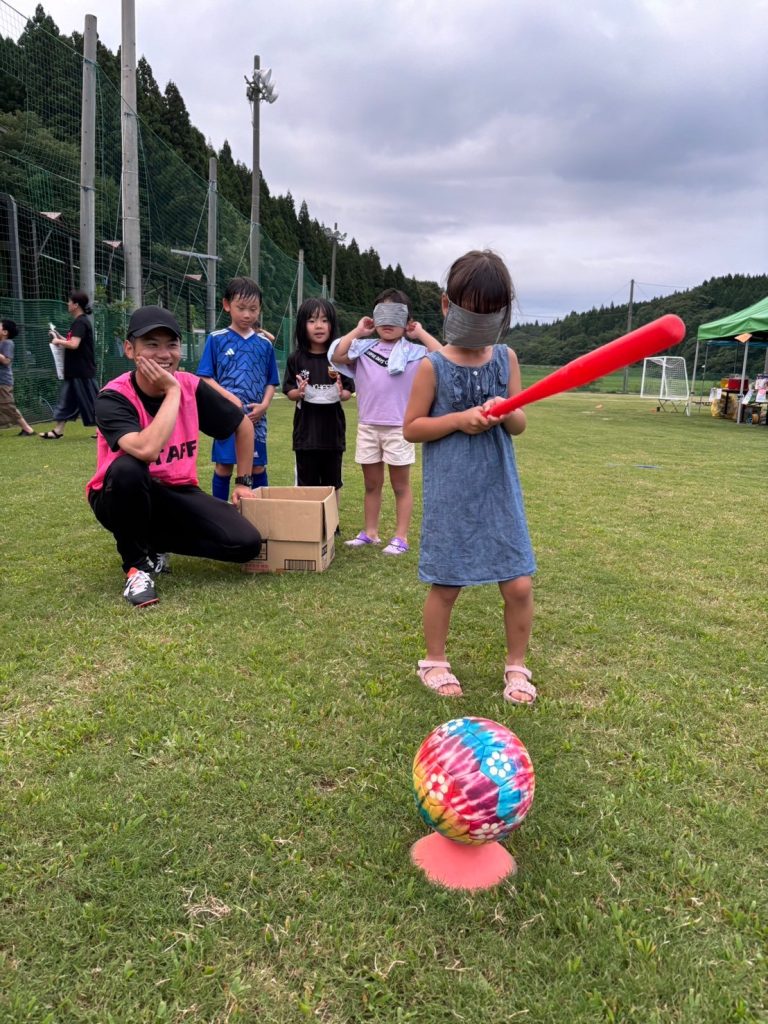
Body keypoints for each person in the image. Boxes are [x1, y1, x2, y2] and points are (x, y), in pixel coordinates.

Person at [403, 250, 536, 703]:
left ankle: (517, 666)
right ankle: (434, 662)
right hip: (452, 493)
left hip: (498, 490)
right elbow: (412, 428)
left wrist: (505, 412)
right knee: (448, 582)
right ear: (447, 306)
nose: (480, 321)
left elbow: (519, 424)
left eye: (490, 313)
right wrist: (459, 419)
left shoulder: (506, 359)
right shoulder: (432, 366)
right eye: (470, 311)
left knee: (518, 582)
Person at [87, 305, 262, 608]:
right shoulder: (113, 396)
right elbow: (146, 450)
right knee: (129, 468)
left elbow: (243, 426)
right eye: (151, 345)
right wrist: (172, 392)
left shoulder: (191, 386)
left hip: (177, 491)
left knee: (245, 543)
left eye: (171, 344)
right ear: (130, 349)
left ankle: (155, 543)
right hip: (119, 495)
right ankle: (137, 567)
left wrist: (244, 481)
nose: (164, 354)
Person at [328, 289, 441, 555]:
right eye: (382, 313)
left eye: (396, 314)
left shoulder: (415, 352)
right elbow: (337, 355)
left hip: (401, 429)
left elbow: (444, 355)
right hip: (368, 426)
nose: (388, 322)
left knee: (400, 485)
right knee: (371, 484)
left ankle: (401, 537)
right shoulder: (364, 349)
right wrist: (358, 331)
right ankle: (370, 532)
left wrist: (420, 332)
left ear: (407, 320)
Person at [196, 277, 280, 501]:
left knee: (257, 468)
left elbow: (272, 381)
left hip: (255, 420)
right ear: (226, 305)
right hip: (225, 417)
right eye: (241, 308)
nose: (247, 315)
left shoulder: (264, 345)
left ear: (259, 309)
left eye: (253, 309)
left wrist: (264, 405)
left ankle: (261, 517)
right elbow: (205, 377)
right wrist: (228, 398)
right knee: (224, 466)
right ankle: (222, 515)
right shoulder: (216, 339)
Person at [282, 298, 354, 518]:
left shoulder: (339, 359)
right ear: (303, 325)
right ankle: (308, 522)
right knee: (307, 484)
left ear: (332, 324)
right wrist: (300, 392)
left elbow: (347, 393)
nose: (319, 325)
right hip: (306, 436)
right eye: (312, 320)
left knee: (333, 484)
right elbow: (289, 392)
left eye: (324, 320)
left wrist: (341, 391)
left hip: (333, 435)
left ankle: (332, 523)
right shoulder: (296, 358)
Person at [41, 291, 98, 439]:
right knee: (67, 401)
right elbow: (72, 342)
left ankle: (104, 430)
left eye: (69, 302)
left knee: (91, 402)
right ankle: (57, 431)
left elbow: (74, 344)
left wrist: (58, 342)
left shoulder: (81, 322)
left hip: (81, 371)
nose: (67, 304)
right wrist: (58, 336)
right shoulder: (79, 322)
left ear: (76, 305)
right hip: (75, 371)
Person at [0, 319, 36, 436]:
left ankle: (27, 429)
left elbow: (6, 360)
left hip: (3, 381)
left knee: (8, 406)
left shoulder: (8, 343)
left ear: (5, 332)